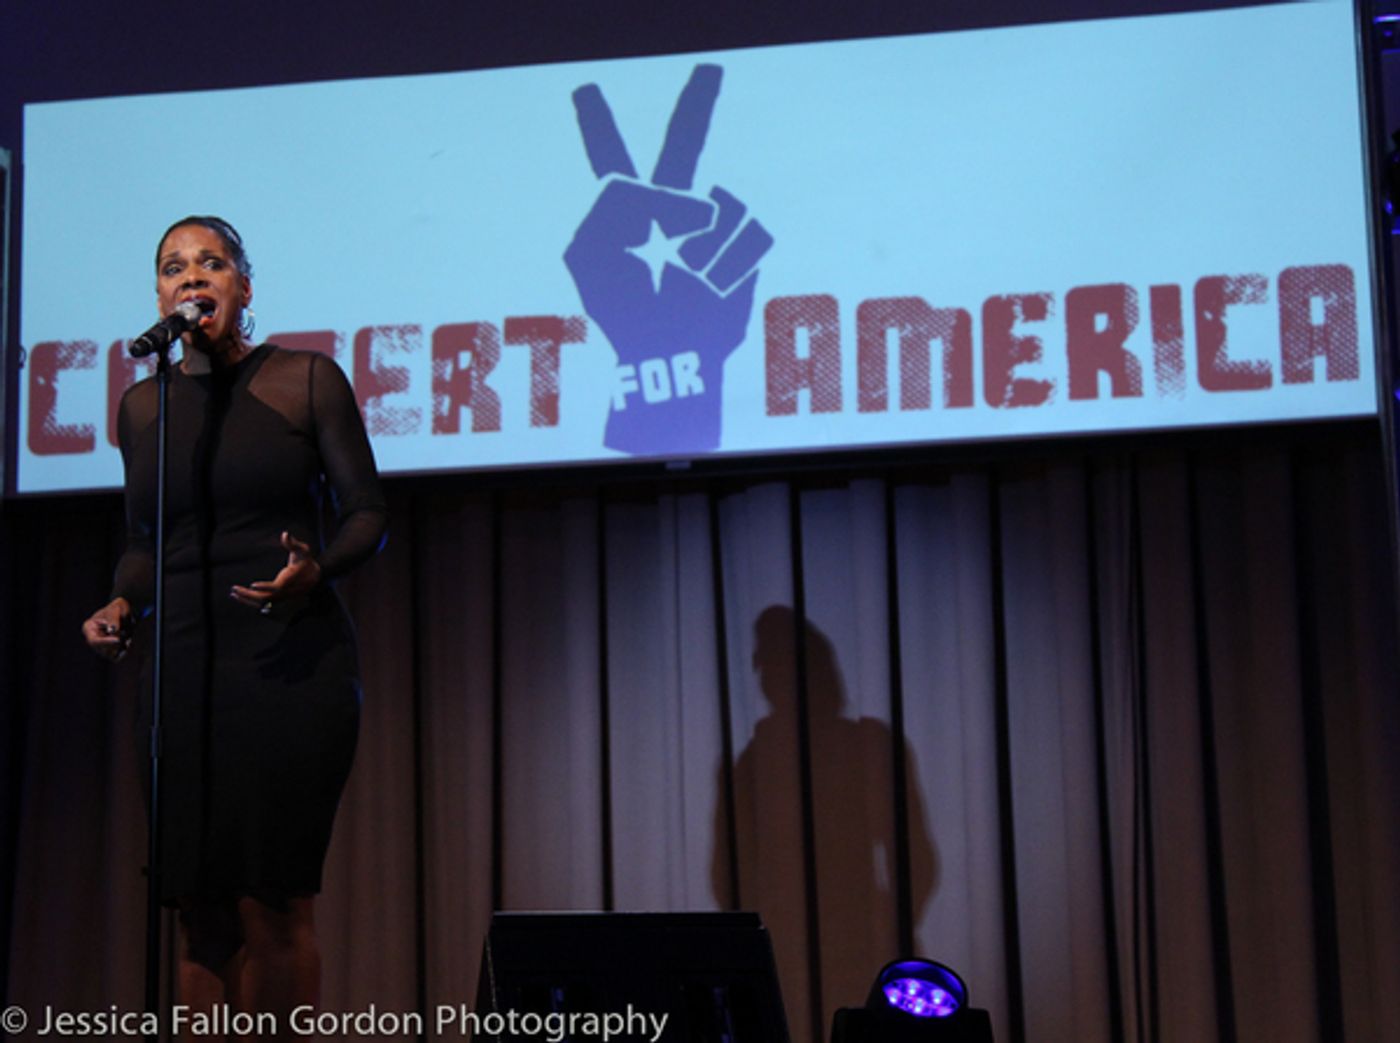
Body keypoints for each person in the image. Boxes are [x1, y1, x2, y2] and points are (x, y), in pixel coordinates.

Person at [81, 216, 387, 1040]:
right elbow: (148, 543)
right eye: (174, 268)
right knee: (200, 912)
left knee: (270, 903)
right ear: (159, 295)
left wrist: (315, 569)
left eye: (211, 264)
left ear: (243, 287)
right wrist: (119, 603)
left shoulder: (306, 380)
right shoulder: (144, 409)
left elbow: (366, 513)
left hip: (287, 662)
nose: (192, 278)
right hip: (182, 670)